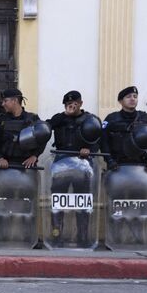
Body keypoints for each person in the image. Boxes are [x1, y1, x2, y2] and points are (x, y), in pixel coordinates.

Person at [46, 90, 101, 246]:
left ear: (81, 103)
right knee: (58, 202)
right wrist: (63, 115)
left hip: (82, 165)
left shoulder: (90, 119)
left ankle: (82, 237)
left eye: (74, 103)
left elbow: (97, 139)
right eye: (68, 104)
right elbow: (46, 127)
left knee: (82, 202)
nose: (71, 106)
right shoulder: (59, 119)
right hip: (61, 164)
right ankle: (56, 236)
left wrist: (89, 149)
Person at [101, 86, 147, 171]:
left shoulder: (145, 118)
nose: (132, 99)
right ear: (121, 101)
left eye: (135, 96)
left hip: (142, 166)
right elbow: (104, 141)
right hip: (117, 166)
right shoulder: (111, 119)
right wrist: (109, 160)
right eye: (128, 97)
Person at [0, 89, 44, 169]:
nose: (3, 104)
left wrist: (35, 156)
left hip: (27, 166)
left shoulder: (33, 119)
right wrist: (0, 158)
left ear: (15, 100)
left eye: (5, 101)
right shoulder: (0, 119)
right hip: (6, 165)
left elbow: (43, 137)